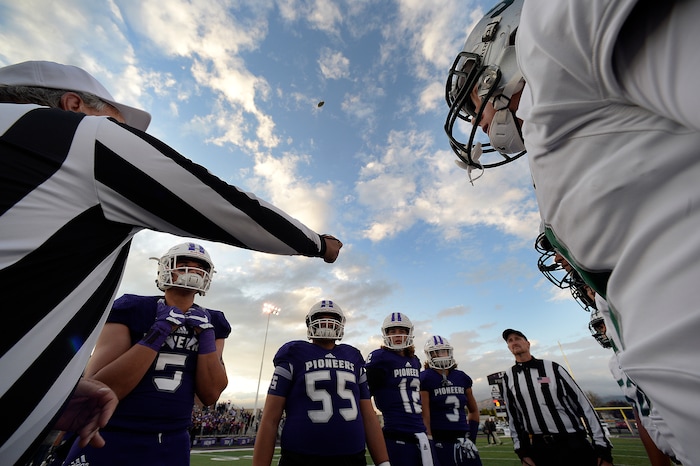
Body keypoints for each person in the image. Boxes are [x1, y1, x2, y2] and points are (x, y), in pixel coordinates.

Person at [0, 60, 343, 466]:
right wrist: (317, 243)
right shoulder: (76, 136)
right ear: (73, 105)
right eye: (115, 120)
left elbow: (211, 394)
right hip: (113, 438)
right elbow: (219, 200)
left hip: (167, 434)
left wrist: (51, 387)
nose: (124, 133)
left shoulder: (210, 319)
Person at [445, 1, 700, 462]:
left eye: (474, 105)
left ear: (500, 54)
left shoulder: (552, 26)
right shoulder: (557, 135)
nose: (479, 122)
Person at [57, 242, 230, 465]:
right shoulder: (134, 308)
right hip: (113, 432)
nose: (192, 271)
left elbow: (210, 395)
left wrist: (206, 337)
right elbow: (99, 387)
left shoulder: (212, 322)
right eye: (184, 264)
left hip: (172, 440)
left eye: (199, 267)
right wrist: (159, 331)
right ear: (166, 268)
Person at [252, 300, 390, 466]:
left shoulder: (353, 356)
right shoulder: (293, 354)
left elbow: (368, 416)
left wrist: (383, 462)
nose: (326, 323)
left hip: (352, 458)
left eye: (331, 319)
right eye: (321, 318)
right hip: (301, 459)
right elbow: (270, 419)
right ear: (310, 323)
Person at [501, 329, 613, 466]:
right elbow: (513, 416)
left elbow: (584, 405)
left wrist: (602, 449)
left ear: (528, 344)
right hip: (539, 447)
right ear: (508, 348)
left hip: (572, 443)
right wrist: (522, 453)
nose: (514, 342)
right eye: (510, 341)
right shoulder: (508, 377)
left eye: (517, 338)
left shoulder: (553, 368)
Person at [590, 300, 678, 466]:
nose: (602, 331)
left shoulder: (647, 346)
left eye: (603, 325)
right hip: (673, 445)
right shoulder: (614, 363)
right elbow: (640, 411)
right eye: (598, 327)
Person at [366, 313, 436, 466]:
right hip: (396, 433)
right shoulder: (380, 357)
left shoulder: (414, 360)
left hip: (421, 433)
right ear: (386, 334)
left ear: (409, 333)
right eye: (392, 331)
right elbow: (364, 396)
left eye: (401, 330)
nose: (397, 335)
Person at [419, 335, 482, 466]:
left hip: (463, 438)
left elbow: (474, 411)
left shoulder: (462, 377)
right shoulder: (425, 378)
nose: (441, 355)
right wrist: (430, 443)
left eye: (443, 351)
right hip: (440, 440)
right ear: (429, 355)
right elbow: (425, 417)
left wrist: (471, 438)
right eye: (436, 352)